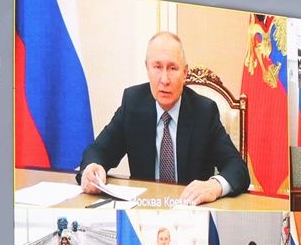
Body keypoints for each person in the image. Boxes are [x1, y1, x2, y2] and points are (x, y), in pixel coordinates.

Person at [78, 31, 249, 205]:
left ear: (185, 72)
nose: (164, 80)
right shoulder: (133, 104)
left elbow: (237, 168)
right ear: (147, 68)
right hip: (145, 208)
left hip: (191, 212)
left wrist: (215, 186)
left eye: (173, 68)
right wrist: (92, 169)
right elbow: (97, 152)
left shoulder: (204, 112)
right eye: (157, 67)